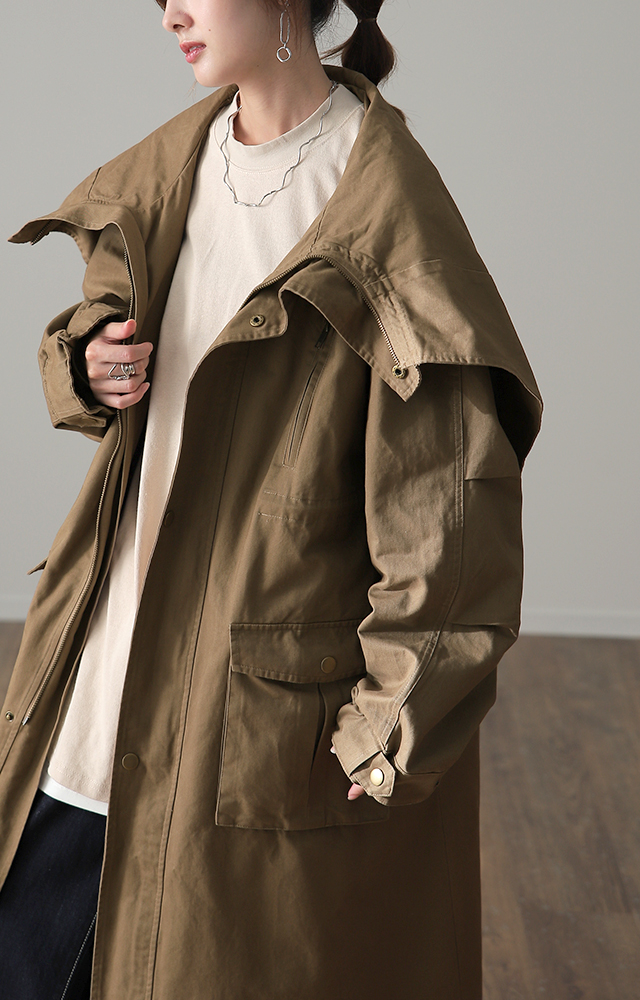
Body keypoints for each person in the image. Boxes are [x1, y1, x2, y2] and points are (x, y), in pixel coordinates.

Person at [0, 1, 542, 998]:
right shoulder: (169, 170)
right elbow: (100, 332)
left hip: (253, 711)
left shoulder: (381, 210)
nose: (171, 10)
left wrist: (390, 723)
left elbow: (450, 510)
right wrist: (87, 363)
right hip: (105, 649)